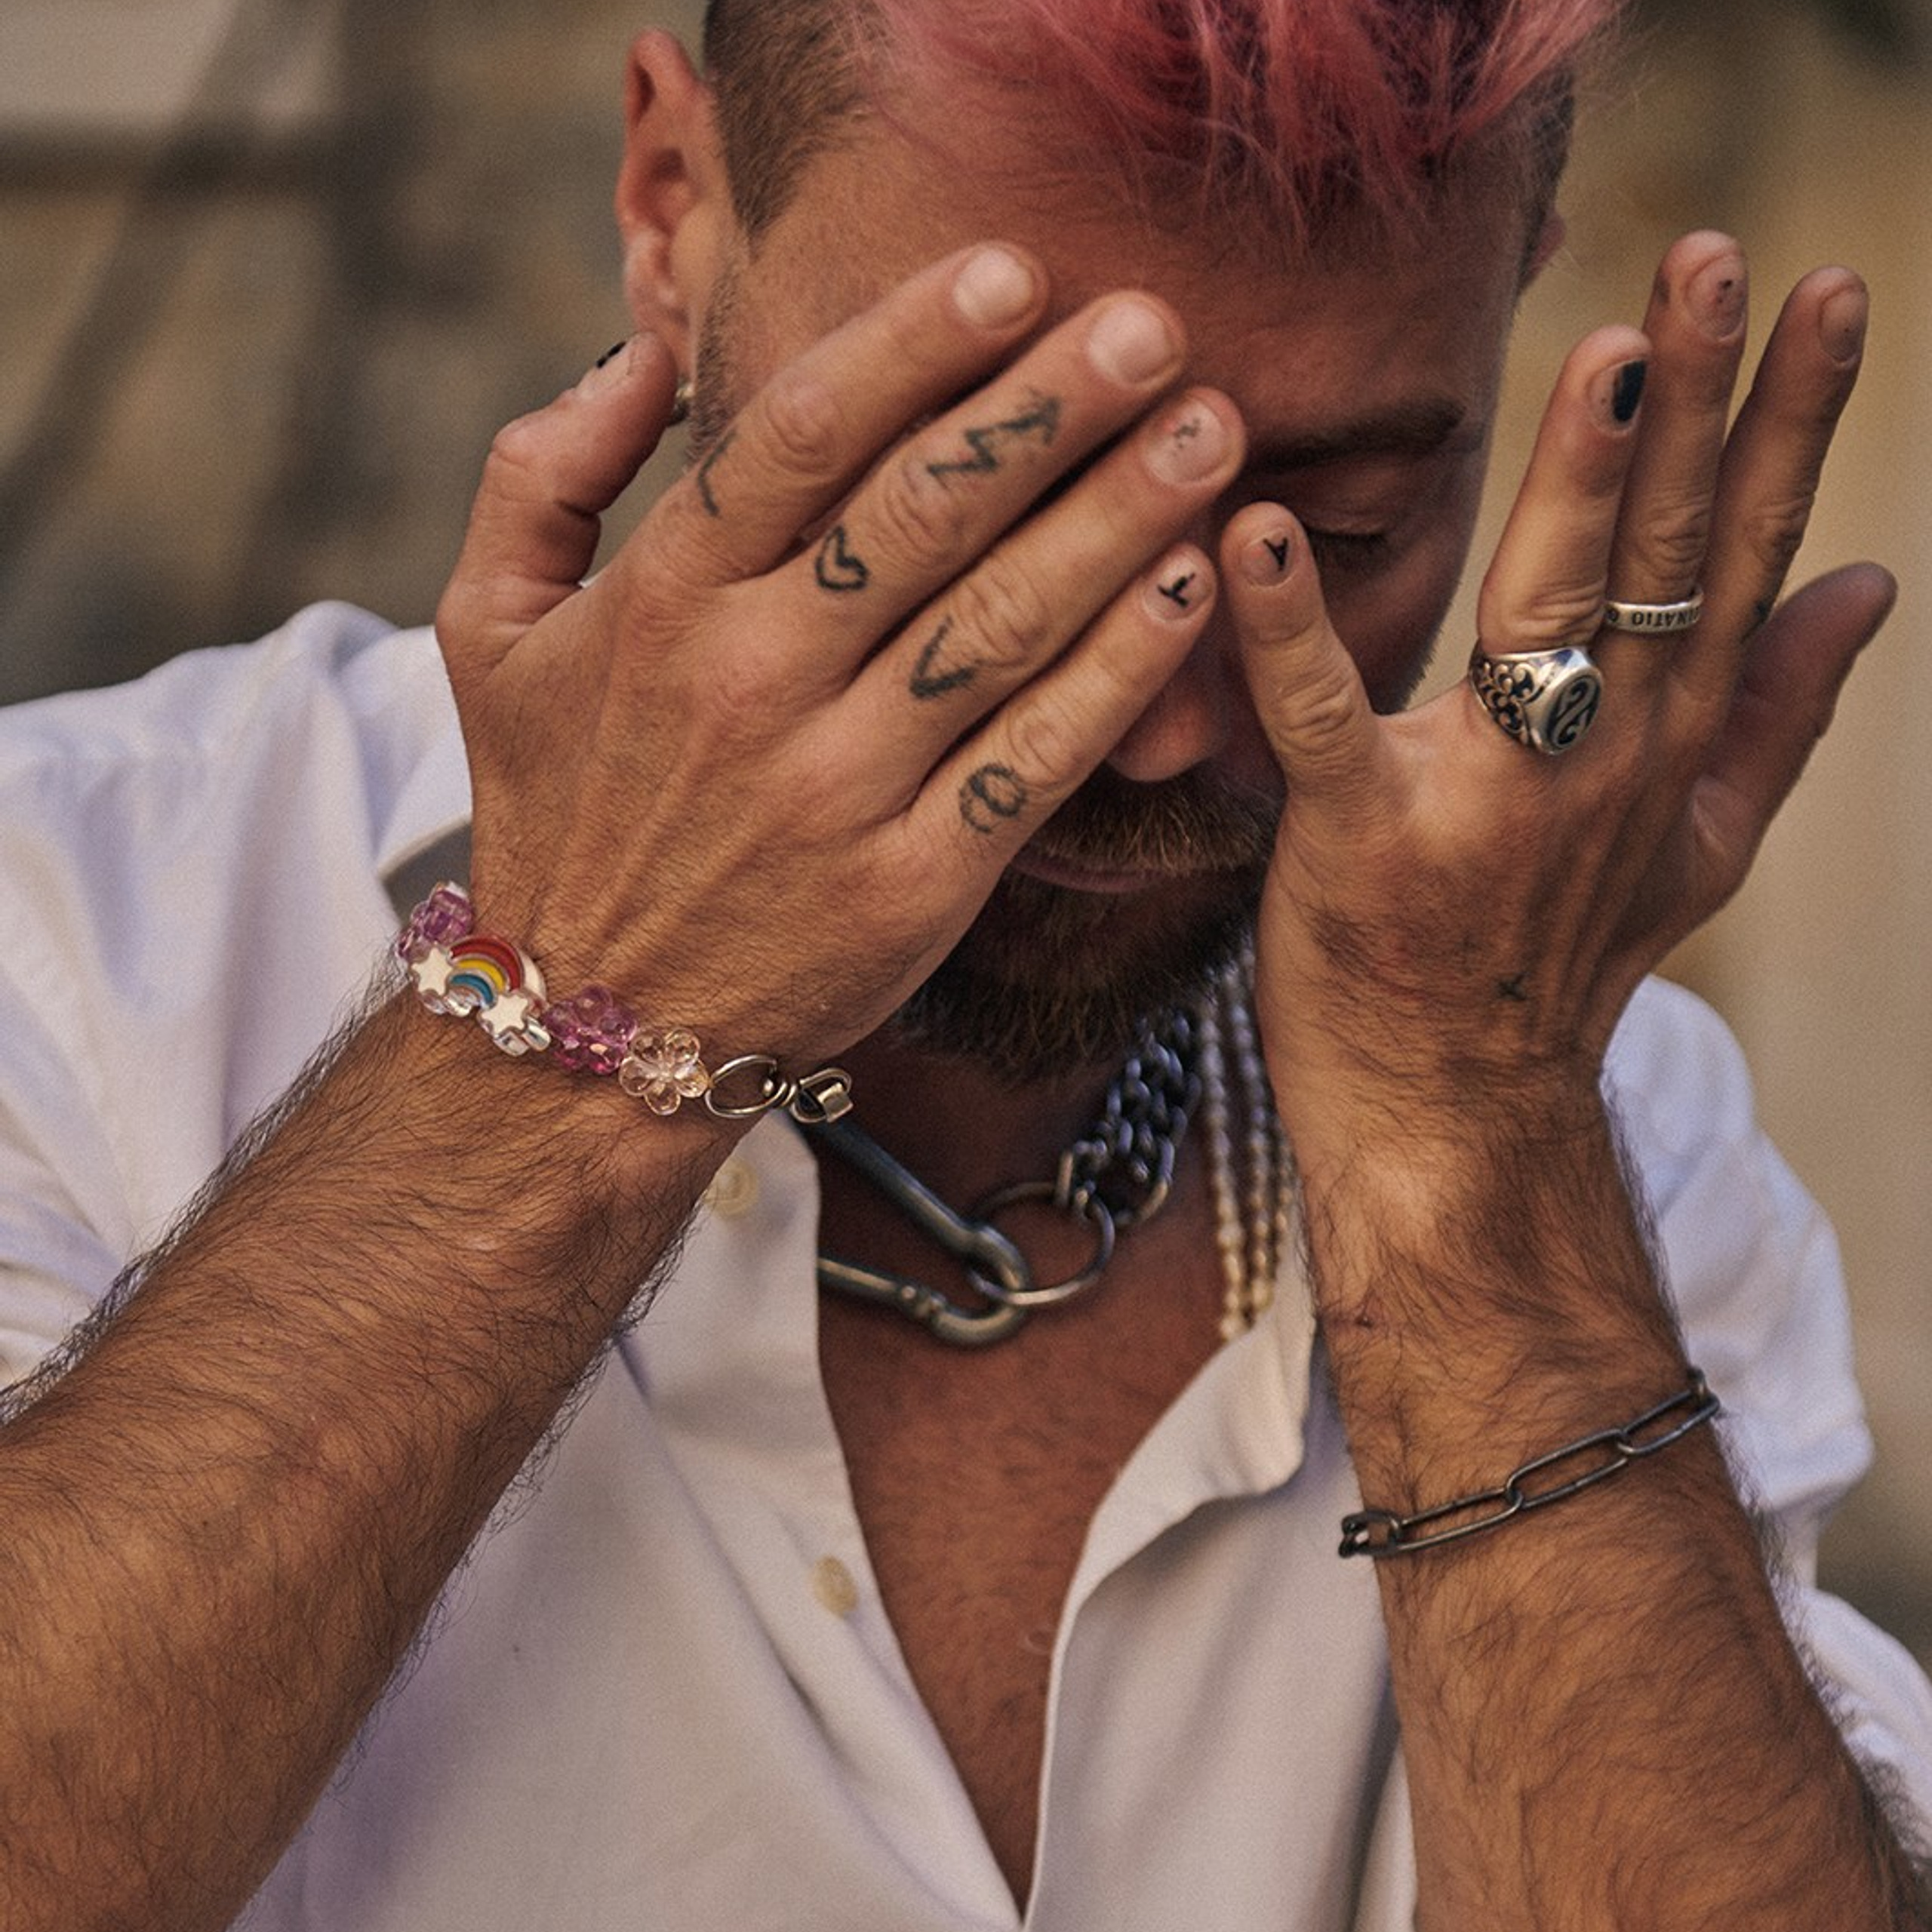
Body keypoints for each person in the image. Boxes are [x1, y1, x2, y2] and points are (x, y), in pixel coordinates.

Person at [2, 0, 1929, 1924]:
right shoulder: (78, 937)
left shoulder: (1611, 1132)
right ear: (672, 205)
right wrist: (581, 1009)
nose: (1164, 727)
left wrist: (1469, 1166)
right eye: (999, 499)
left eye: (1337, 530)